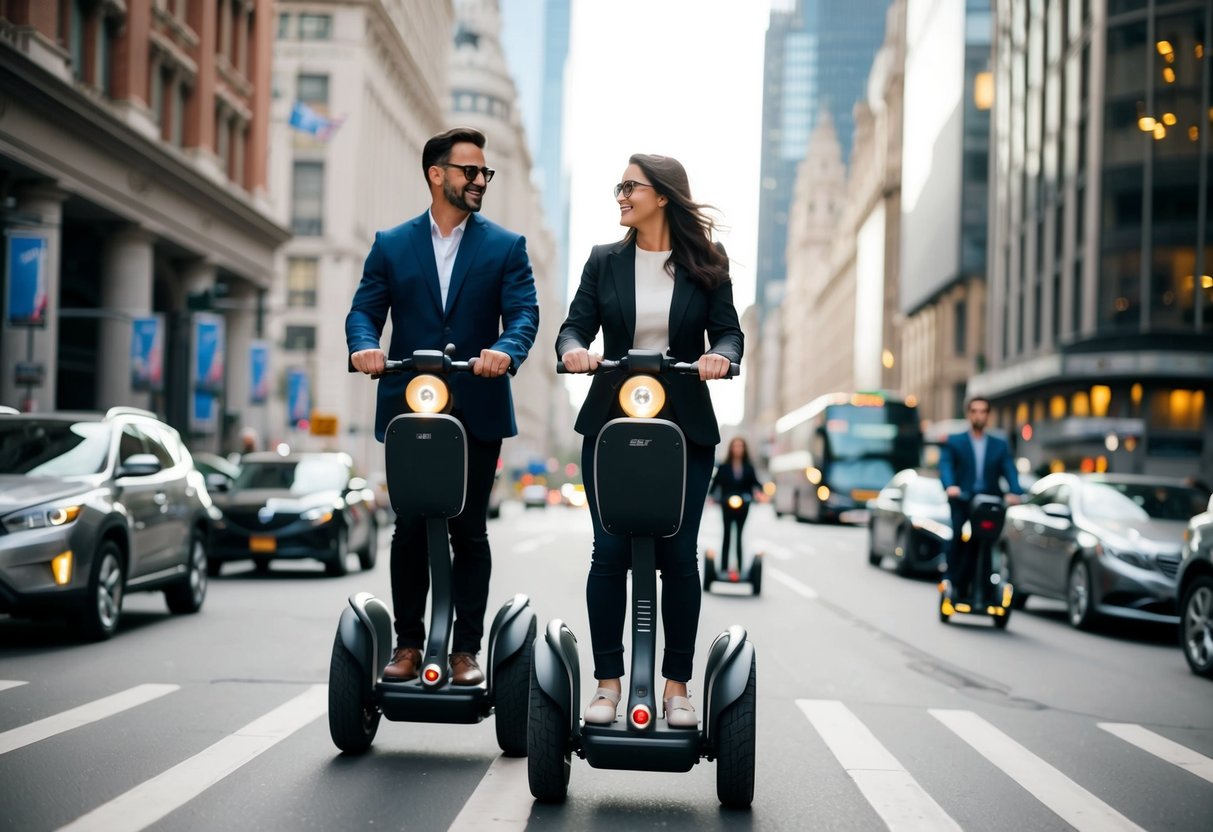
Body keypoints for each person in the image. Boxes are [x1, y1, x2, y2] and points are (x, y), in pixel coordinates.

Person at [346, 127, 539, 685]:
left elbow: (523, 315)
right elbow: (364, 311)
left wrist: (503, 352)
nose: (481, 181)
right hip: (411, 408)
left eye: (486, 174)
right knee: (409, 527)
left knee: (469, 530)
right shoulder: (392, 243)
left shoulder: (506, 246)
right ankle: (407, 645)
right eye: (470, 172)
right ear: (437, 174)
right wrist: (364, 346)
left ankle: (465, 650)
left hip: (476, 404)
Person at [557, 154, 743, 728]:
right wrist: (573, 351)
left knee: (679, 556)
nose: (620, 195)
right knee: (609, 552)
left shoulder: (707, 262)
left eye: (629, 187)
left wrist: (720, 357)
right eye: (619, 186)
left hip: (684, 426)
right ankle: (608, 685)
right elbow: (574, 325)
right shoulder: (603, 260)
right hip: (612, 421)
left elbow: (730, 331)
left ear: (661, 195)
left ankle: (677, 686)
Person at [938, 396, 1023, 600]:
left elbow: (1009, 469)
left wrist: (1016, 491)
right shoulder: (955, 441)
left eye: (983, 411)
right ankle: (953, 579)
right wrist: (951, 487)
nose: (979, 415)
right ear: (969, 414)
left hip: (989, 504)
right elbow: (946, 466)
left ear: (988, 415)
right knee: (958, 536)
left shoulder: (999, 444)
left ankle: (989, 584)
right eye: (975, 411)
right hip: (963, 501)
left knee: (990, 541)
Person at [709, 436, 764, 580]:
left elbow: (755, 483)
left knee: (739, 535)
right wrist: (711, 496)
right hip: (726, 504)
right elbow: (716, 484)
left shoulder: (748, 467)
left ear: (744, 449)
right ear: (731, 448)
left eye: (740, 446)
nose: (738, 449)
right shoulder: (724, 466)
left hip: (743, 505)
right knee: (727, 534)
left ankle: (739, 569)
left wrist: (760, 491)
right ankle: (723, 568)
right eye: (735, 446)